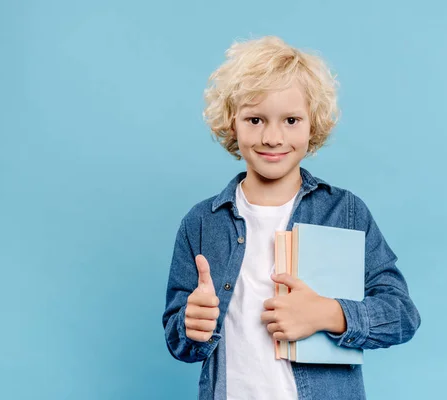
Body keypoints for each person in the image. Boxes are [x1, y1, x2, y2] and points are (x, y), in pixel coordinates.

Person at [162, 35, 421, 400]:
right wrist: (192, 327)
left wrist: (327, 314)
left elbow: (402, 315)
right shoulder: (202, 222)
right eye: (255, 119)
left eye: (291, 120)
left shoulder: (345, 213)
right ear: (232, 123)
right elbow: (179, 341)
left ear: (312, 125)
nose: (272, 137)